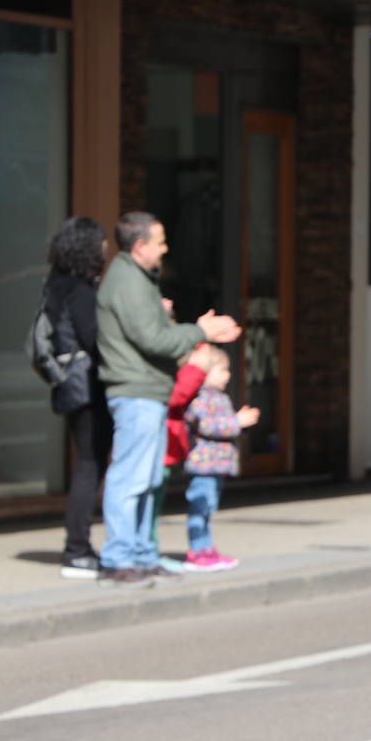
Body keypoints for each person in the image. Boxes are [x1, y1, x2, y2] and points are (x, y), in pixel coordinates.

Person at [97, 211, 241, 588]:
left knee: (146, 479)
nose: (165, 249)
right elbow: (152, 340)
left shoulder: (137, 279)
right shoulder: (128, 281)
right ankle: (119, 557)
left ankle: (141, 554)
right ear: (140, 245)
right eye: (160, 241)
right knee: (131, 478)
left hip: (148, 391)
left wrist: (193, 329)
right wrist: (199, 331)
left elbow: (155, 334)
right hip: (137, 391)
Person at [42, 217, 114, 578]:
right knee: (90, 466)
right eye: (101, 242)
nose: (105, 249)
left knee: (86, 464)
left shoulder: (55, 284)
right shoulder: (81, 291)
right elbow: (94, 339)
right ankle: (77, 549)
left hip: (69, 386)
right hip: (87, 387)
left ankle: (78, 547)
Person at [182, 346, 258, 571]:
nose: (228, 375)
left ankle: (206, 548)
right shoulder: (201, 398)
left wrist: (240, 424)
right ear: (205, 372)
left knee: (208, 507)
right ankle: (197, 549)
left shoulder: (219, 397)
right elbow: (206, 425)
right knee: (200, 506)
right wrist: (237, 422)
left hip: (216, 465)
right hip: (204, 465)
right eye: (223, 370)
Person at [145, 344, 214, 572]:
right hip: (158, 446)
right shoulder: (168, 370)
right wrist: (197, 368)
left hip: (166, 447)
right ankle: (146, 552)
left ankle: (148, 550)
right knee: (148, 505)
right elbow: (175, 395)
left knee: (153, 504)